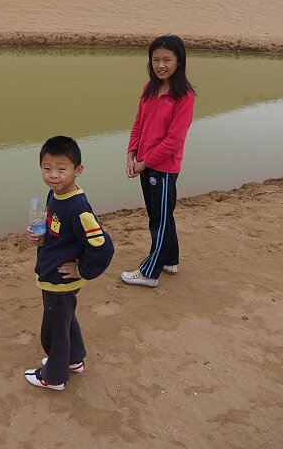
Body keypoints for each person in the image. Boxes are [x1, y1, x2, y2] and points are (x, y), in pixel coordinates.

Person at [25, 136, 114, 391]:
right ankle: (74, 360)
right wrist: (38, 234)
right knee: (65, 320)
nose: (53, 175)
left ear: (78, 170)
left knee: (54, 329)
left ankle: (54, 376)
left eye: (61, 169)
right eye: (47, 168)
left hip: (60, 280)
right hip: (52, 271)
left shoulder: (78, 207)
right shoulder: (56, 195)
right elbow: (54, 228)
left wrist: (82, 269)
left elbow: (102, 246)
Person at [121, 35, 196, 288]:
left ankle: (149, 273)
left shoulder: (184, 97)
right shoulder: (149, 88)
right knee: (161, 215)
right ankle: (170, 260)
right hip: (145, 164)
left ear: (179, 61)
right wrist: (132, 153)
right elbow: (139, 122)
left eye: (167, 59)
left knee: (159, 220)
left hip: (162, 169)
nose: (160, 65)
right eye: (156, 59)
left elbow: (174, 141)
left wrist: (145, 162)